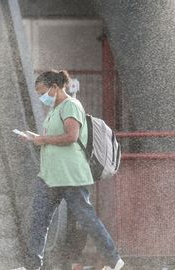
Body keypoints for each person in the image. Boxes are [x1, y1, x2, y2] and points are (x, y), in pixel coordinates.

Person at [12, 70, 124, 270]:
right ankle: (32, 266)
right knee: (38, 221)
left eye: (42, 92)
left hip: (70, 175)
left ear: (55, 87)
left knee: (87, 219)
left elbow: (72, 136)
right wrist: (33, 137)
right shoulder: (55, 109)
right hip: (50, 176)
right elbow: (53, 139)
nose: (41, 97)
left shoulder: (71, 105)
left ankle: (114, 260)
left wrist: (42, 139)